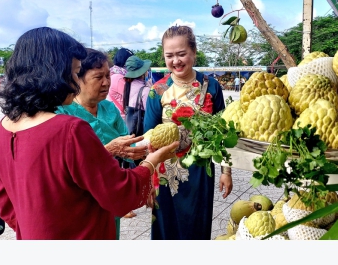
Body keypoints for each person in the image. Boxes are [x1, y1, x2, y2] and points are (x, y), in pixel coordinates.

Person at [0, 27, 179, 240]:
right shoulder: (70, 130)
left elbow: (3, 201)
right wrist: (152, 162)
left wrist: (36, 227)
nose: (74, 83)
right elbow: (121, 195)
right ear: (52, 74)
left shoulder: (2, 130)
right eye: (73, 72)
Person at [144, 25, 233, 240]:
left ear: (193, 52)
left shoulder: (211, 86)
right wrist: (146, 181)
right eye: (169, 56)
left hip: (200, 173)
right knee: (167, 229)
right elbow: (147, 138)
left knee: (196, 228)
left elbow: (224, 132)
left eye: (181, 54)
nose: (176, 61)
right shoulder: (158, 91)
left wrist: (226, 172)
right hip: (165, 175)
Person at [55, 48, 147, 225]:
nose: (106, 83)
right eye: (98, 77)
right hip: (81, 198)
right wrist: (108, 151)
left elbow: (128, 143)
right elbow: (64, 165)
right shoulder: (62, 114)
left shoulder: (109, 108)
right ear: (77, 79)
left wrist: (148, 151)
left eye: (108, 76)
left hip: (111, 191)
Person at [107, 47, 134, 120]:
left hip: (116, 115)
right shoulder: (119, 78)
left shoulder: (113, 73)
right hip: (122, 117)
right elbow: (131, 95)